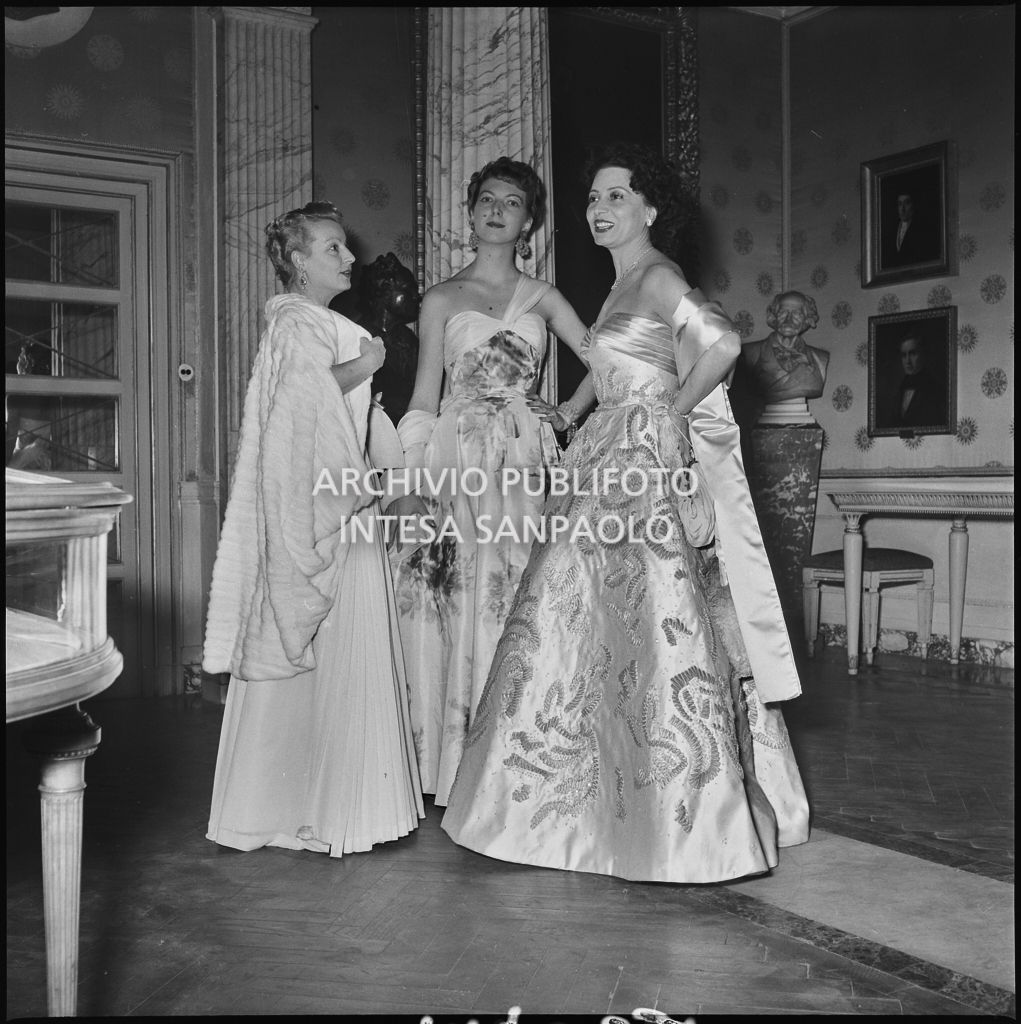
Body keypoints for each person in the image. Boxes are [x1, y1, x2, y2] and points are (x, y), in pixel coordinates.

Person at [442, 143, 809, 884]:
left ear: (649, 209)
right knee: (582, 624)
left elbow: (723, 343)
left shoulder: (658, 274)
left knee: (642, 621)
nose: (600, 209)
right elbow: (615, 365)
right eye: (593, 199)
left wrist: (666, 415)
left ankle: (676, 816)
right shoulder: (619, 286)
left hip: (636, 464)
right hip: (606, 450)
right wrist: (574, 406)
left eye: (616, 196)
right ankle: (584, 801)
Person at [203, 201, 423, 857]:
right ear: (297, 260)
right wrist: (369, 361)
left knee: (318, 663)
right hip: (327, 513)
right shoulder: (302, 322)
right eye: (332, 248)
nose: (348, 258)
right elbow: (305, 400)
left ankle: (305, 808)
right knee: (322, 657)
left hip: (333, 504)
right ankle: (324, 812)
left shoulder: (310, 322)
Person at [392, 157, 595, 806]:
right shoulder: (441, 299)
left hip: (522, 463)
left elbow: (611, 363)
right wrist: (410, 476)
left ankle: (512, 762)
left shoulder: (545, 298)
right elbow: (425, 394)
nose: (496, 208)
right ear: (470, 213)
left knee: (512, 598)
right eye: (485, 198)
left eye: (512, 201)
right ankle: (446, 768)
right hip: (456, 460)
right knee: (452, 600)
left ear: (528, 220)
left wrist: (564, 413)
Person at [358, 252, 422, 425]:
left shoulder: (410, 340)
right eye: (408, 289)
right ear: (385, 291)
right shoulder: (357, 338)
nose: (416, 297)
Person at [741, 291, 828, 404]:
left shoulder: (820, 358)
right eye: (783, 312)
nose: (788, 319)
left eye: (797, 313)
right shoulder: (751, 353)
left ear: (807, 319)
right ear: (774, 316)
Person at [890, 331, 943, 428]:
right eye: (903, 355)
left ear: (923, 354)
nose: (907, 361)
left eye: (912, 354)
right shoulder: (900, 388)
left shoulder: (934, 388)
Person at [883, 190, 937, 268]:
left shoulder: (922, 229)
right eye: (900, 204)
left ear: (913, 205)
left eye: (907, 203)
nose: (903, 209)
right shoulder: (891, 230)